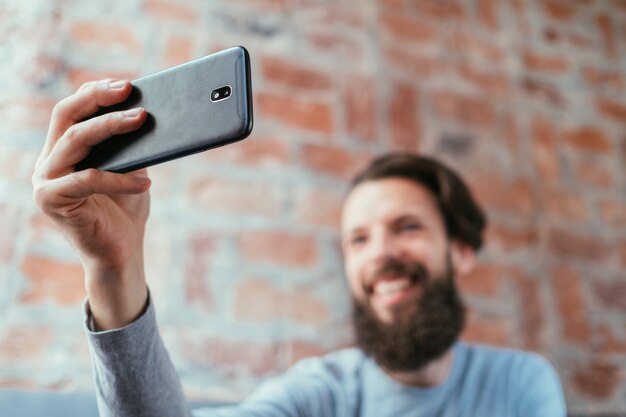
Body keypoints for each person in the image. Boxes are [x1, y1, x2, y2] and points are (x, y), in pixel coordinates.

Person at [32, 79, 567, 417]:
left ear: (461, 252)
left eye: (406, 227)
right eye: (358, 239)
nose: (379, 253)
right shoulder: (320, 394)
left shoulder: (521, 383)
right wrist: (113, 268)